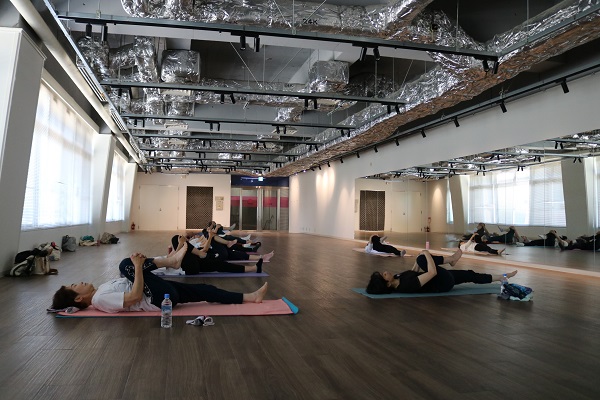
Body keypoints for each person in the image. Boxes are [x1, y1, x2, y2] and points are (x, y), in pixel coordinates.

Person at [51, 247, 268, 313]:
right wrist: (137, 267)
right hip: (156, 299)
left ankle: (250, 297)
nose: (79, 282)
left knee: (204, 289)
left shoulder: (101, 289)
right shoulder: (99, 300)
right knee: (125, 265)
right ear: (78, 298)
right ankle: (171, 261)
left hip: (160, 291)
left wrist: (138, 267)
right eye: (74, 286)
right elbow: (135, 296)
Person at [366, 249, 517, 294]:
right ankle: (451, 259)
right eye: (384, 275)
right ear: (387, 284)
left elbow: (413, 272)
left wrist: (418, 260)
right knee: (422, 259)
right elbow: (432, 273)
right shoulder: (406, 286)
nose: (385, 271)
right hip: (442, 283)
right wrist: (425, 254)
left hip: (442, 278)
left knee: (470, 275)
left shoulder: (398, 278)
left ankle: (502, 277)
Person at [169, 232, 269, 274]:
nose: (185, 239)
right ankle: (237, 243)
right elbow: (173, 260)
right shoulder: (184, 245)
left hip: (197, 261)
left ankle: (255, 267)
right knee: (215, 240)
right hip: (191, 265)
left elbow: (173, 255)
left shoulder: (185, 247)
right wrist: (181, 243)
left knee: (222, 264)